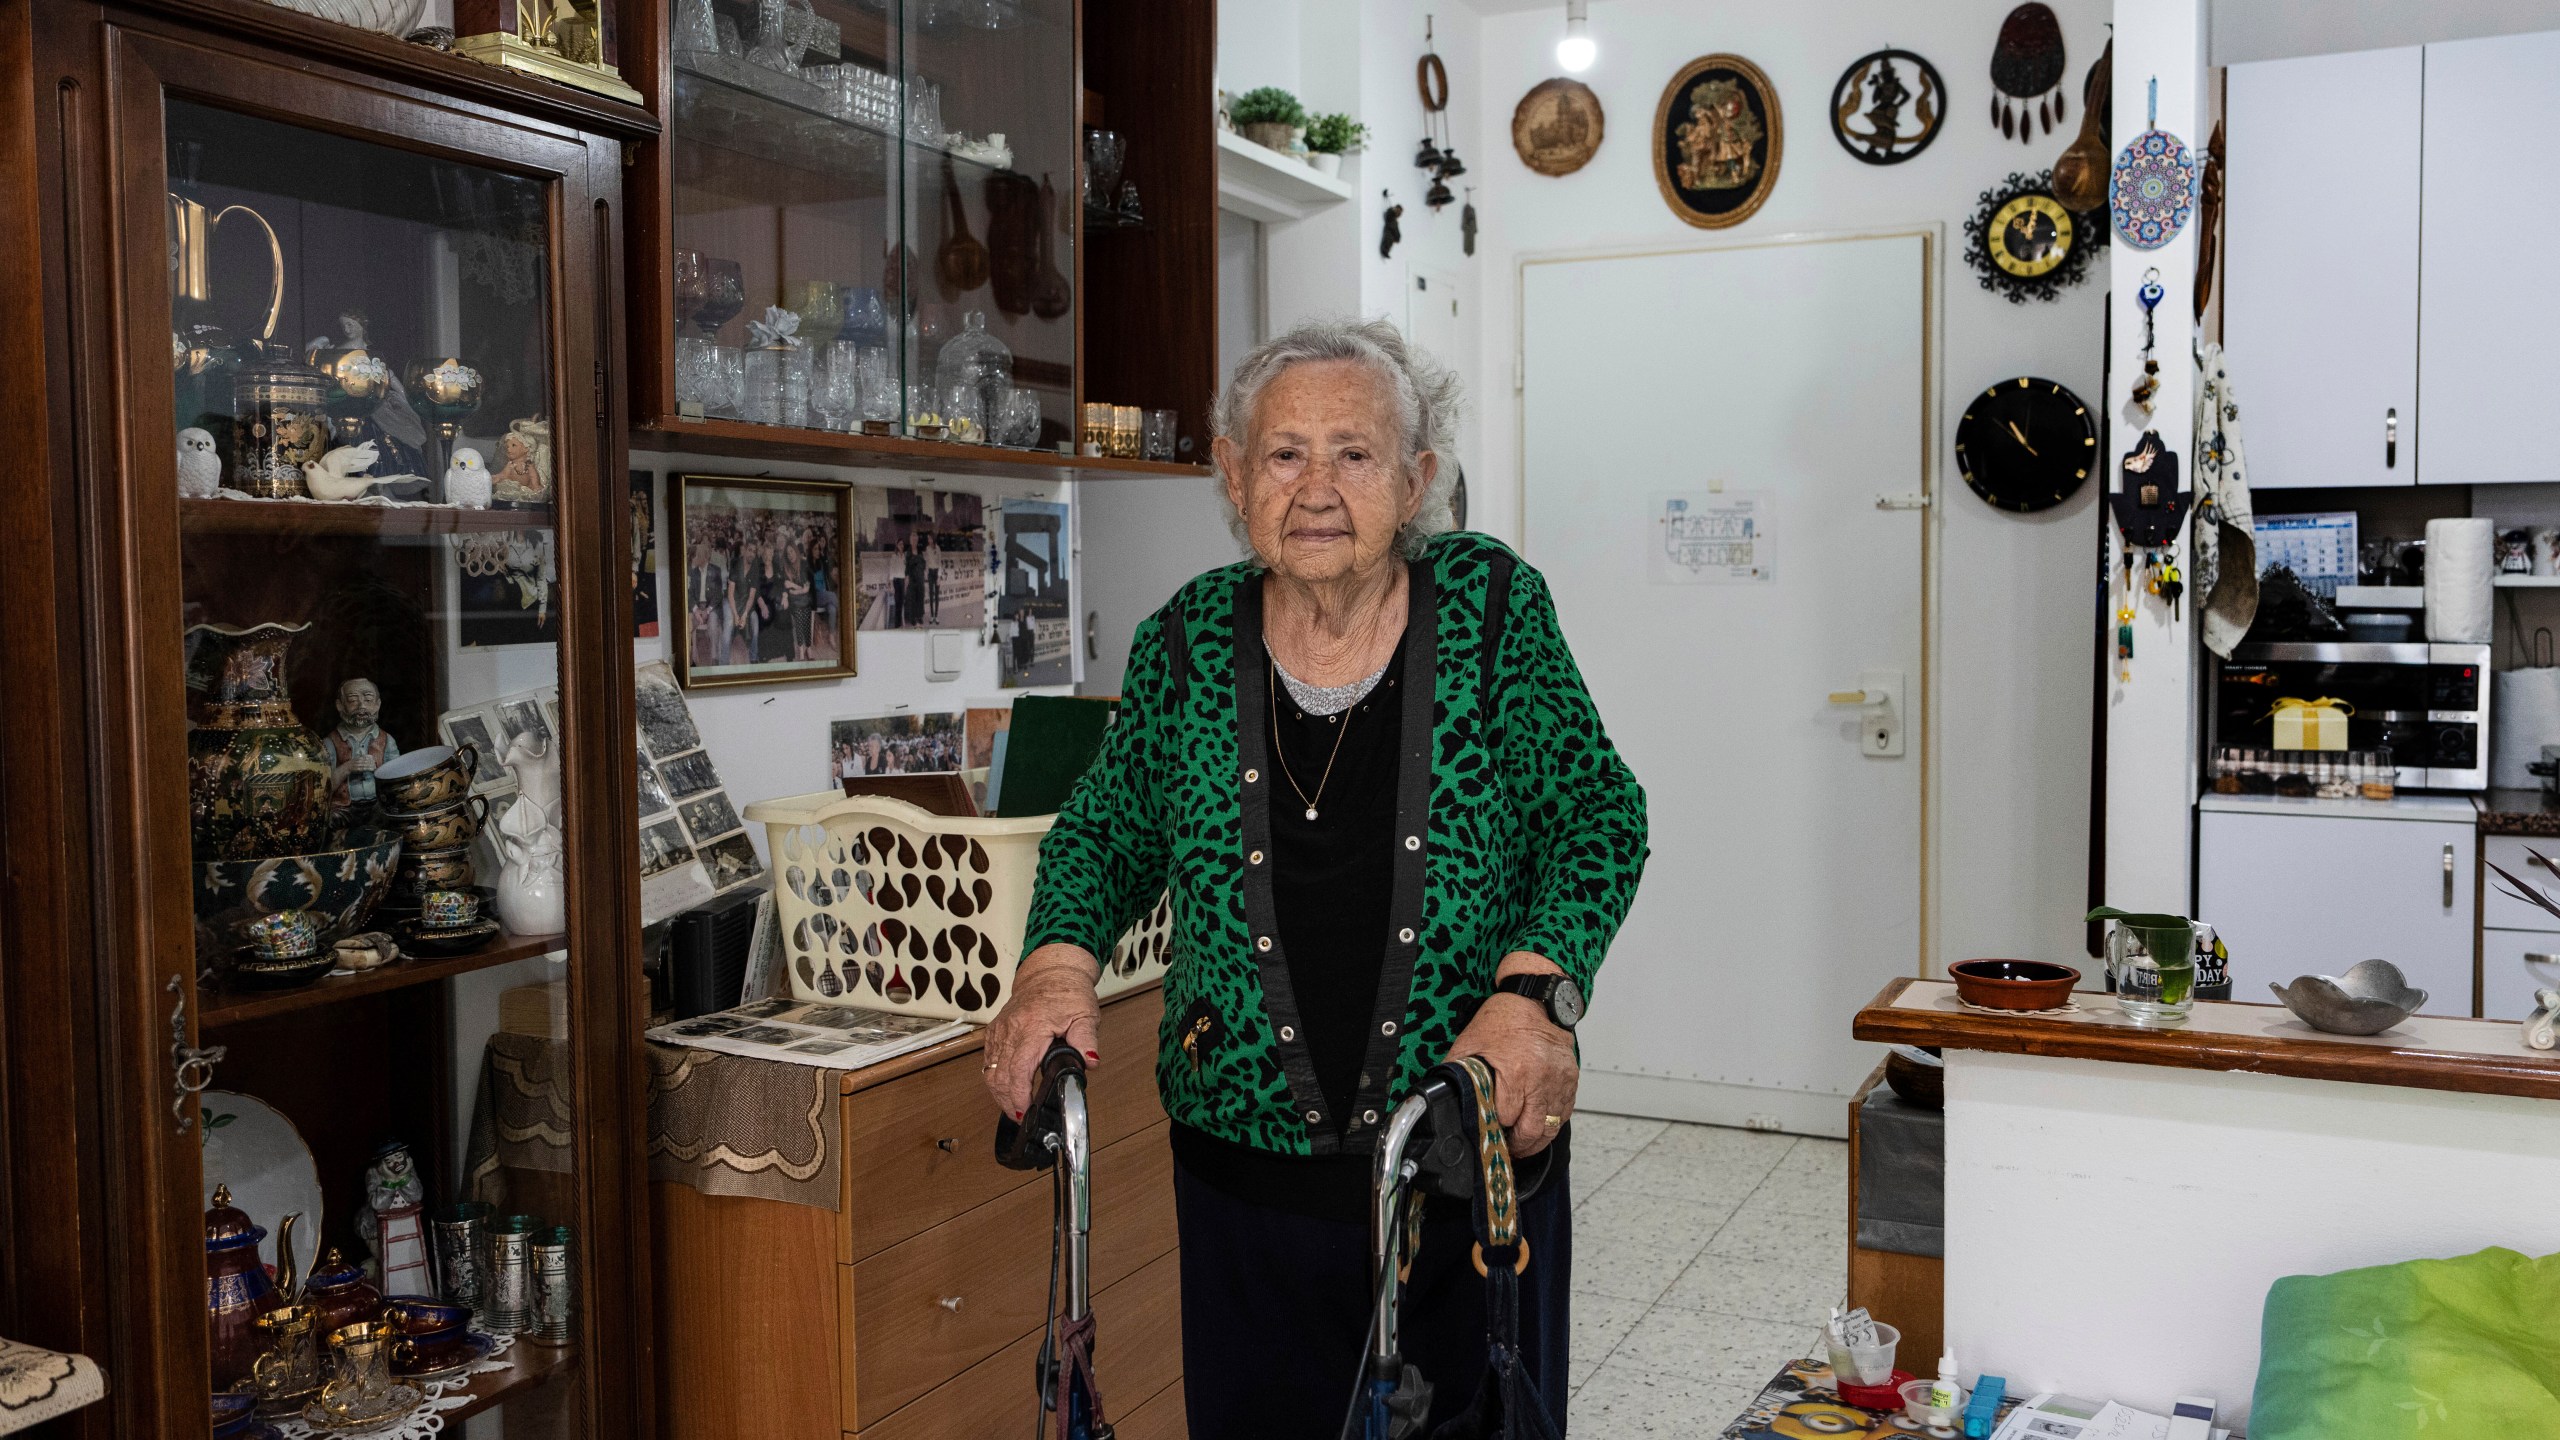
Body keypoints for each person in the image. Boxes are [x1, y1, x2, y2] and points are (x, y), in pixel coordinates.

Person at [983, 317, 1647, 1439]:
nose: (1318, 487)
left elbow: (1596, 814)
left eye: (1355, 452)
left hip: (1460, 1147)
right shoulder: (1187, 639)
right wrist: (1054, 968)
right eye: (1285, 454)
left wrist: (1534, 999)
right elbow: (1106, 830)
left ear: (1417, 478)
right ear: (1236, 479)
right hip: (1244, 1180)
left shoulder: (1491, 611)